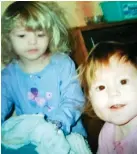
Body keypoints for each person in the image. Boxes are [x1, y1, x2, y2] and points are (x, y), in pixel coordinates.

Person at [1, 1, 87, 137]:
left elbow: (74, 101)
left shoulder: (62, 64)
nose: (32, 41)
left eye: (40, 34)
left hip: (70, 137)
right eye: (22, 35)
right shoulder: (7, 76)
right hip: (33, 141)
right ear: (8, 39)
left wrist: (56, 125)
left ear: (50, 35)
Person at [79, 41, 137, 154]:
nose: (112, 93)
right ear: (89, 97)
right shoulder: (106, 133)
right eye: (101, 87)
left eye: (123, 81)